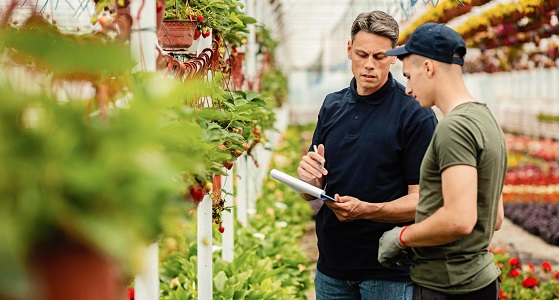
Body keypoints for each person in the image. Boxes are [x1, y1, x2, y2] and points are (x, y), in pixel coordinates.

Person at [297, 11, 438, 300]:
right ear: (349, 50)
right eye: (362, 54)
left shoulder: (414, 113)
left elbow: (424, 201)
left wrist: (368, 210)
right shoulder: (332, 105)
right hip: (332, 269)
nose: (370, 65)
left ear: (394, 57)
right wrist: (309, 181)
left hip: (388, 270)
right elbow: (313, 192)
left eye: (380, 56)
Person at [378, 22, 507, 299]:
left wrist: (401, 238)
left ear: (428, 68)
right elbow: (495, 218)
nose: (408, 90)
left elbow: (459, 220)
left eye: (409, 77)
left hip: (448, 286)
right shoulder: (486, 120)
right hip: (479, 279)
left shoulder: (454, 128)